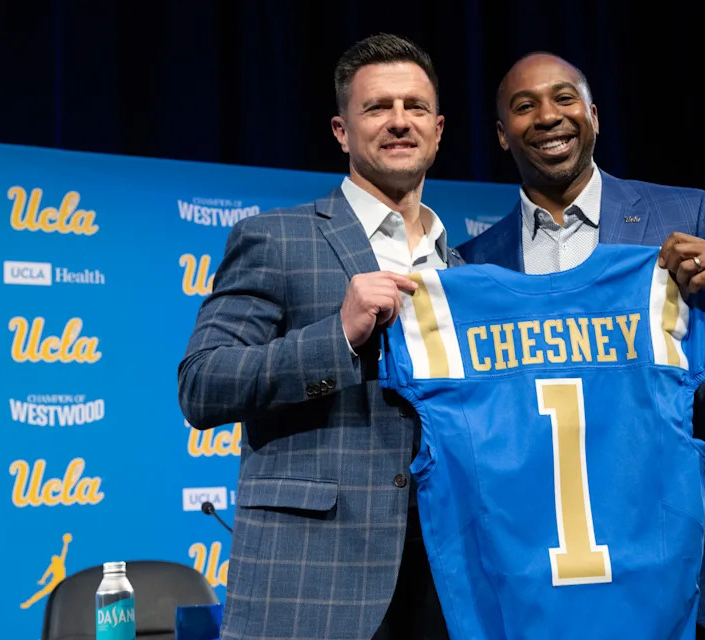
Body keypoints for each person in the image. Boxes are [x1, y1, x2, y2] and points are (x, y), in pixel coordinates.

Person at [457, 52, 705, 640]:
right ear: (501, 134)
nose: (548, 116)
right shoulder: (475, 265)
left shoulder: (683, 212)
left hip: (702, 556)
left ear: (593, 115)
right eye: (524, 106)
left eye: (565, 98)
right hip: (555, 563)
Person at [179, 34, 456, 640]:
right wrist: (339, 336)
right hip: (313, 578)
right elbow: (202, 385)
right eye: (377, 107)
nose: (399, 121)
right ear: (341, 130)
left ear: (437, 130)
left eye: (414, 107)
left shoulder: (462, 269)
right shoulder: (276, 238)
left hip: (447, 580)